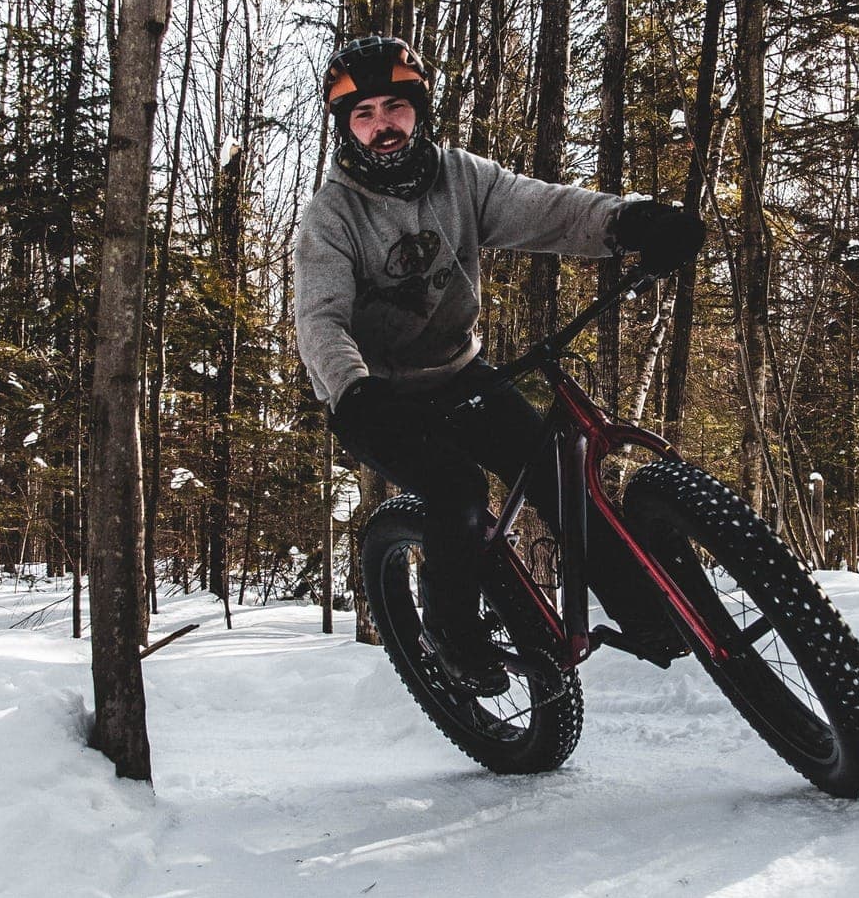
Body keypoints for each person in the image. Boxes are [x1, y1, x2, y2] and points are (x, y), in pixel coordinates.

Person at [295, 34, 704, 692]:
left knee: (555, 470)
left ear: (417, 109)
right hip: (377, 400)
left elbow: (549, 210)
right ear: (347, 126)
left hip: (460, 374)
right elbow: (321, 320)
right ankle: (452, 636)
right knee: (455, 491)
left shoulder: (461, 177)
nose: (381, 127)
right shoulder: (332, 216)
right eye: (363, 114)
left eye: (392, 108)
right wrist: (354, 388)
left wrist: (631, 223)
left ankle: (649, 617)